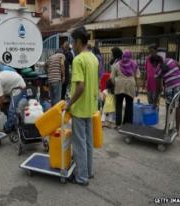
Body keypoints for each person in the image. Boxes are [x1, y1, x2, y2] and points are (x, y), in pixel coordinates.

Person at [66, 27, 99, 186]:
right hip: (91, 107)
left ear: (78, 41)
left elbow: (80, 87)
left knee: (79, 144)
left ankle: (81, 177)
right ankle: (89, 172)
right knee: (87, 142)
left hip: (79, 109)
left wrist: (68, 104)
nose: (72, 45)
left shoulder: (78, 60)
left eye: (73, 41)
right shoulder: (94, 58)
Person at [150, 54, 180, 138]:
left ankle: (166, 129)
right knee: (178, 107)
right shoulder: (170, 60)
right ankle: (177, 130)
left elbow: (158, 89)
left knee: (169, 108)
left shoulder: (157, 70)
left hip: (172, 87)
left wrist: (154, 102)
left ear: (153, 63)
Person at [111, 49, 140, 128]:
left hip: (119, 86)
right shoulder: (134, 64)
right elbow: (137, 76)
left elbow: (112, 78)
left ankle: (118, 124)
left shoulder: (117, 64)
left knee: (119, 105)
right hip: (130, 85)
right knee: (129, 105)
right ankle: (127, 124)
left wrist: (115, 84)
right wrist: (137, 88)